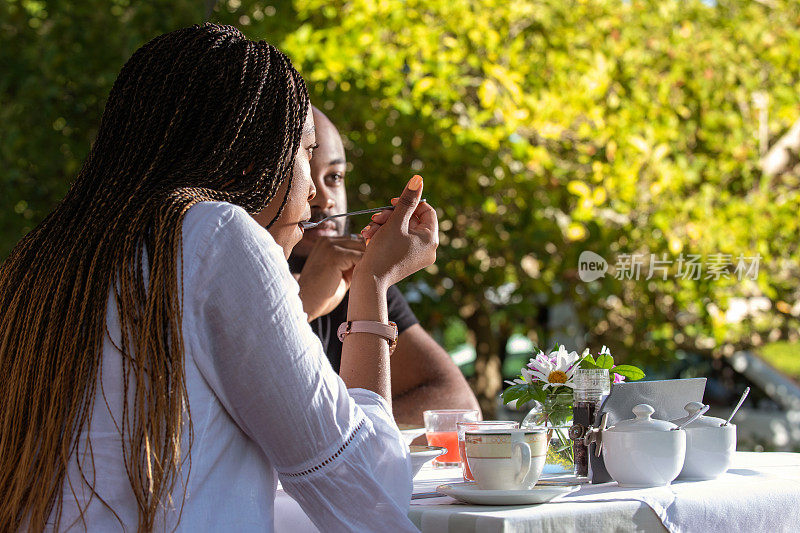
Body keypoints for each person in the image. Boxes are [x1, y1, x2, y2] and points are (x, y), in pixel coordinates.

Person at [0, 24, 435, 532]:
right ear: (254, 161)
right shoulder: (217, 233)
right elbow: (367, 485)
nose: (318, 199)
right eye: (303, 153)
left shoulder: (40, 257)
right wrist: (373, 284)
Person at [288, 107, 479, 425]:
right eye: (305, 174)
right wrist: (303, 302)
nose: (323, 198)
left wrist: (371, 279)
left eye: (334, 177)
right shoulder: (238, 273)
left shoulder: (353, 272)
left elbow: (459, 405)